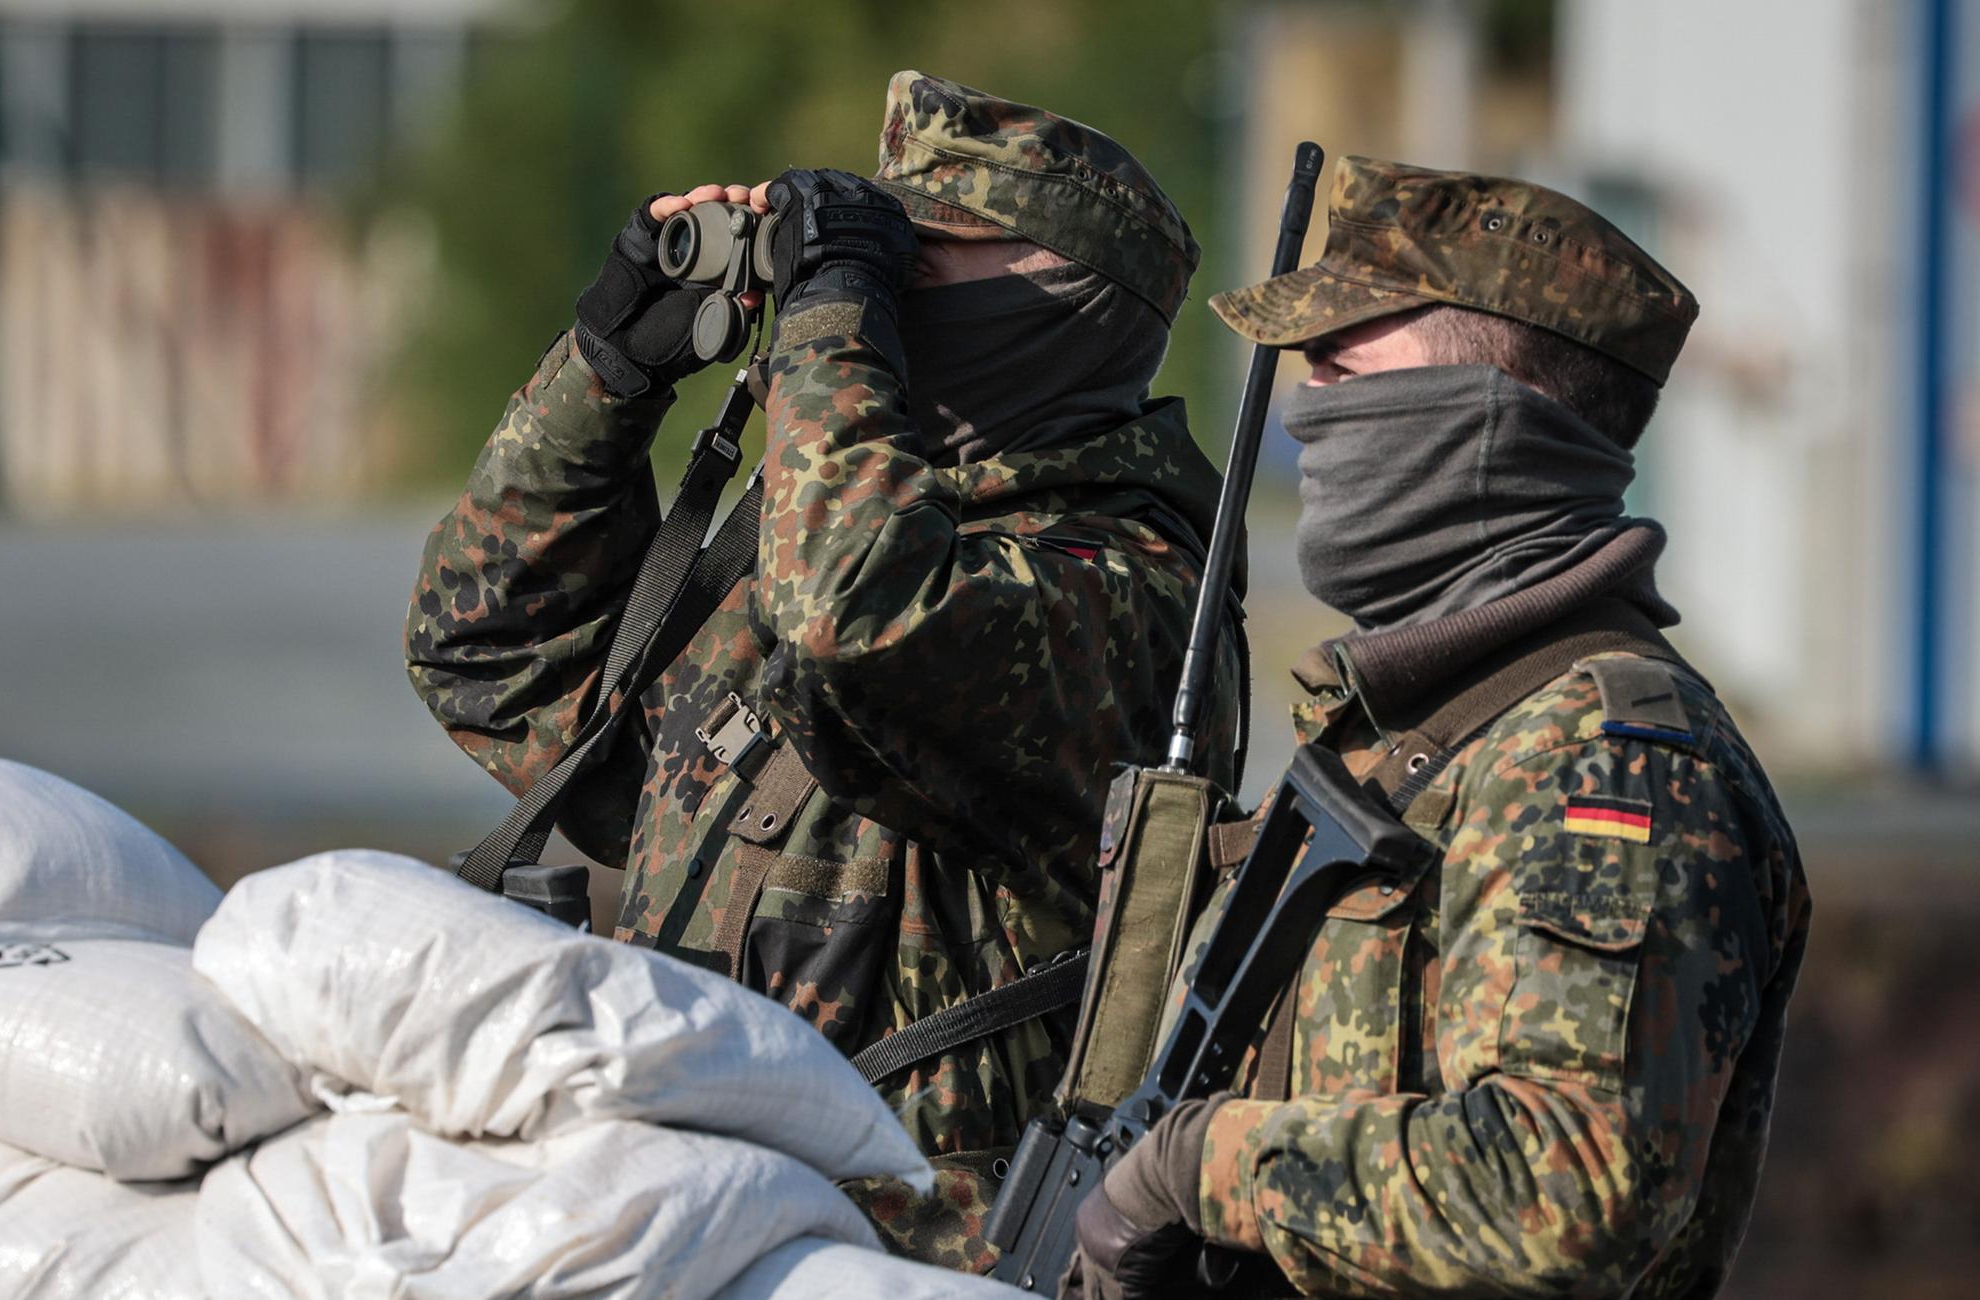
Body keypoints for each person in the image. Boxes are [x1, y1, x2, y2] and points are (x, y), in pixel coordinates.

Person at [406, 71, 1241, 1266]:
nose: (885, 293)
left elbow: (859, 613)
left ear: (1061, 301)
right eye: (876, 255)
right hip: (703, 1221)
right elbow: (482, 653)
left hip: (913, 1258)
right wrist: (607, 374)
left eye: (923, 255)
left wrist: (831, 315)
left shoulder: (1124, 589)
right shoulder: (827, 529)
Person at [1069, 157, 1812, 1300]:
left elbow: (1560, 1189)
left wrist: (1194, 1165)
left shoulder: (1599, 759)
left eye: (1342, 347)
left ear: (1488, 407)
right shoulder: (1408, 732)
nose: (1307, 396)